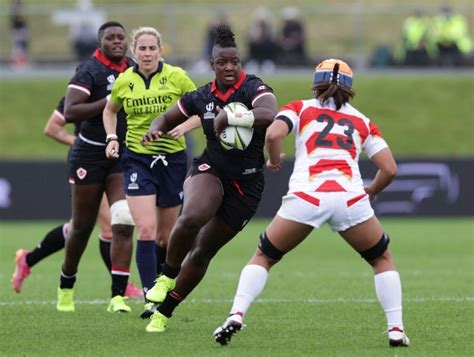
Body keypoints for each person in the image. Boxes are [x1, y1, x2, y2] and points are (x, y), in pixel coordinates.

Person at [213, 58, 410, 348]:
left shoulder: (300, 108)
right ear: (350, 88)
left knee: (264, 256)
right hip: (349, 197)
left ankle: (236, 314)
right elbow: (390, 169)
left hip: (307, 196)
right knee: (382, 260)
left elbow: (274, 133)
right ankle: (396, 329)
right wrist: (371, 190)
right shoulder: (363, 121)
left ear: (315, 82)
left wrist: (276, 159)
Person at [140, 24, 278, 333]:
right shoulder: (201, 95)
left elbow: (269, 113)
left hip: (247, 185)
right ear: (212, 64)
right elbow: (167, 116)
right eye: (222, 62)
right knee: (191, 217)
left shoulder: (253, 87)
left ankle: (165, 311)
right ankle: (166, 275)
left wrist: (233, 116)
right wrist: (156, 126)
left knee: (203, 249)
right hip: (212, 169)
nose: (229, 67)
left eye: (234, 61)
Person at [103, 26, 200, 318]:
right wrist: (112, 138)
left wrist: (184, 126)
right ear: (134, 52)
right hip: (138, 159)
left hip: (172, 159)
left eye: (151, 48)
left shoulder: (177, 77)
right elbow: (109, 110)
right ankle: (149, 298)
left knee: (166, 236)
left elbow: (203, 109)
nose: (147, 54)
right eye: (142, 49)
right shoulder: (125, 81)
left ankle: (163, 286)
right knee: (145, 228)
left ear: (160, 50)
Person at [11, 96, 142, 300]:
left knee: (76, 228)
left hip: (115, 160)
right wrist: (81, 143)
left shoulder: (126, 86)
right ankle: (122, 288)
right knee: (108, 225)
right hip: (88, 161)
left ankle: (28, 259)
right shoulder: (83, 90)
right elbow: (52, 127)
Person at [56, 21, 136, 314]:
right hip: (89, 155)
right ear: (100, 43)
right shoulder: (89, 70)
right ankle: (66, 285)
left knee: (123, 218)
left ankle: (118, 296)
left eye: (120, 37)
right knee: (82, 227)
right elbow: (70, 112)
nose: (117, 41)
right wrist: (108, 102)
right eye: (109, 38)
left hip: (120, 153)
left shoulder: (134, 69)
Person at [246, 6, 279, 73]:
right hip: (255, 54)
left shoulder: (271, 29)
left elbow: (274, 41)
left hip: (267, 55)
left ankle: (268, 63)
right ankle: (254, 62)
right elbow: (249, 41)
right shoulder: (253, 28)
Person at [10, 0, 28, 68]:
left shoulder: (23, 10)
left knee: (23, 46)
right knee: (16, 47)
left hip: (21, 29)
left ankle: (22, 62)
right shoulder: (14, 9)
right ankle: (16, 63)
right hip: (16, 29)